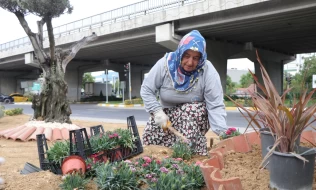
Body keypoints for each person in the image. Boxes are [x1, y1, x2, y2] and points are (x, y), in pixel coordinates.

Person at [140, 30, 227, 155]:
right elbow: (147, 89)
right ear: (180, 52)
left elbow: (215, 104)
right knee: (151, 139)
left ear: (201, 58)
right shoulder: (164, 65)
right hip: (166, 114)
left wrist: (223, 132)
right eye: (186, 56)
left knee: (189, 111)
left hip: (194, 115)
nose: (190, 62)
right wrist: (157, 112)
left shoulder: (207, 70)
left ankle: (192, 152)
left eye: (196, 58)